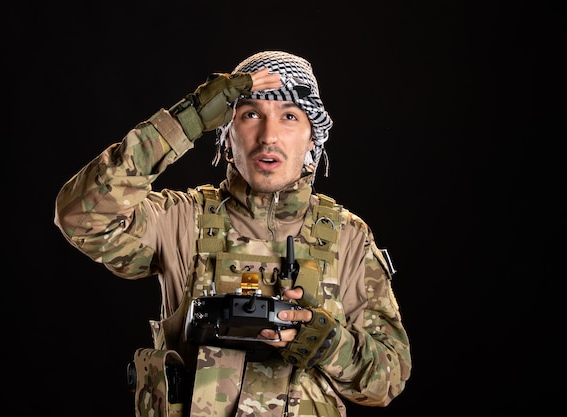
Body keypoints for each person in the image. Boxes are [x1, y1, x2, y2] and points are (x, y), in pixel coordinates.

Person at [54, 50, 411, 417]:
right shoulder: (181, 220)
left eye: (289, 116)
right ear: (226, 135)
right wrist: (187, 119)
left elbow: (390, 377)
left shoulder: (347, 238)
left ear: (311, 141)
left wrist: (326, 343)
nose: (268, 136)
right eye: (250, 114)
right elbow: (81, 216)